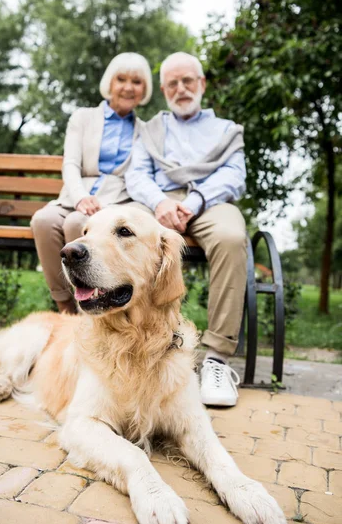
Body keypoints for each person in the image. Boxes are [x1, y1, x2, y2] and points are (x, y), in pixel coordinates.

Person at [125, 52, 246, 407]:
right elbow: (137, 173)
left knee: (231, 237)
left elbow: (234, 175)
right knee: (119, 232)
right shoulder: (150, 129)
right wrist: (161, 203)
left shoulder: (226, 130)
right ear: (163, 89)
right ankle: (132, 344)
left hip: (208, 201)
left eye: (188, 81)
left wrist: (193, 203)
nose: (181, 89)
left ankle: (217, 359)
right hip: (156, 202)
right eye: (173, 83)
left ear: (202, 84)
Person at [31, 52, 152, 314]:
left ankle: (89, 303)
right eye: (121, 79)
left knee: (77, 223)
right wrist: (80, 197)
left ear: (145, 91)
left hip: (115, 202)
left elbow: (138, 176)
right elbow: (71, 163)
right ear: (110, 83)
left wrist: (100, 206)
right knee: (43, 220)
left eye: (137, 81)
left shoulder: (146, 130)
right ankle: (65, 306)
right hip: (73, 195)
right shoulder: (83, 117)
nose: (128, 87)